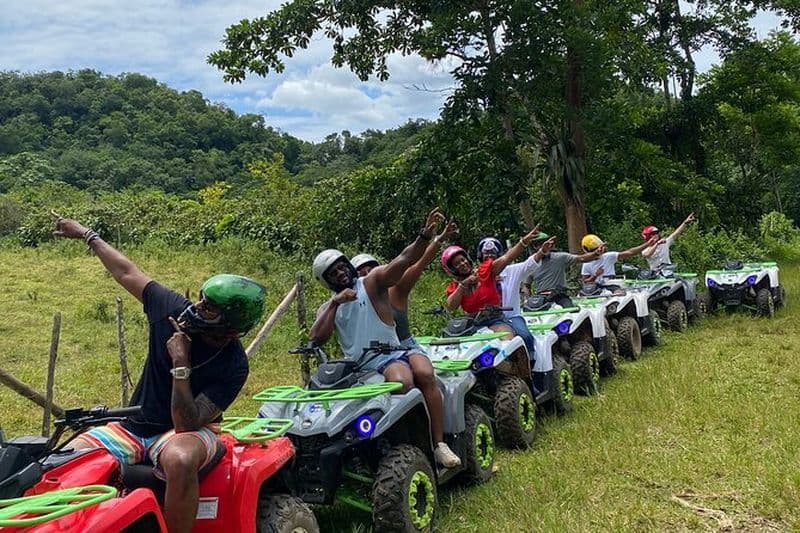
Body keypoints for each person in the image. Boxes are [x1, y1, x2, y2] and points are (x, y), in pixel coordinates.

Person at [52, 215, 266, 533]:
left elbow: (186, 422)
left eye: (209, 308)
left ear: (231, 327)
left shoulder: (234, 364)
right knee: (65, 459)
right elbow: (126, 271)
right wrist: (86, 234)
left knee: (179, 460)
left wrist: (180, 364)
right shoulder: (170, 310)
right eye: (202, 299)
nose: (196, 307)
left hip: (189, 432)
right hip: (133, 427)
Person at [310, 208, 461, 468]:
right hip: (356, 366)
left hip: (391, 353)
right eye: (332, 274)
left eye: (341, 267)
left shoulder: (372, 282)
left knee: (409, 379)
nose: (340, 274)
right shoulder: (329, 306)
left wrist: (425, 236)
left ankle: (436, 444)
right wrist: (335, 303)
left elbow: (403, 261)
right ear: (326, 282)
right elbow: (316, 337)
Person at [351, 220, 459, 353]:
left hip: (405, 350)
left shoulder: (396, 290)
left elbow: (419, 262)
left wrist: (439, 238)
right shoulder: (353, 302)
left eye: (372, 270)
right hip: (373, 356)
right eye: (364, 273)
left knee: (423, 373)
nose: (369, 275)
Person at [442, 226, 542, 336]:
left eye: (463, 259)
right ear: (452, 269)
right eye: (457, 264)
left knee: (512, 340)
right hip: (473, 325)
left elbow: (507, 257)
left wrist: (524, 241)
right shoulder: (456, 287)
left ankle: (530, 352)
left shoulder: (484, 272)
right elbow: (450, 306)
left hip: (495, 320)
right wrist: (463, 285)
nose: (462, 264)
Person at [490, 234, 557, 354]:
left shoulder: (511, 271)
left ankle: (532, 364)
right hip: (488, 321)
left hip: (511, 316)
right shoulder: (477, 276)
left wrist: (541, 252)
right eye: (486, 255)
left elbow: (529, 264)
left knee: (526, 336)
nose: (490, 259)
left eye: (493, 255)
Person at [522, 233, 603, 308]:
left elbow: (581, 258)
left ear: (550, 245)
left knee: (572, 312)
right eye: (538, 245)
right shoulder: (531, 264)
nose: (542, 248)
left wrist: (595, 253)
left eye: (545, 244)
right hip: (541, 298)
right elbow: (526, 285)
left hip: (560, 296)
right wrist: (527, 299)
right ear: (534, 247)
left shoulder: (559, 257)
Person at [580, 233, 659, 287]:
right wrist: (595, 276)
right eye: (599, 248)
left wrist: (647, 244)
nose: (602, 249)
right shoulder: (586, 263)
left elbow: (630, 252)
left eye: (601, 247)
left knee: (621, 295)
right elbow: (585, 282)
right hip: (595, 288)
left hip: (611, 285)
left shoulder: (608, 256)